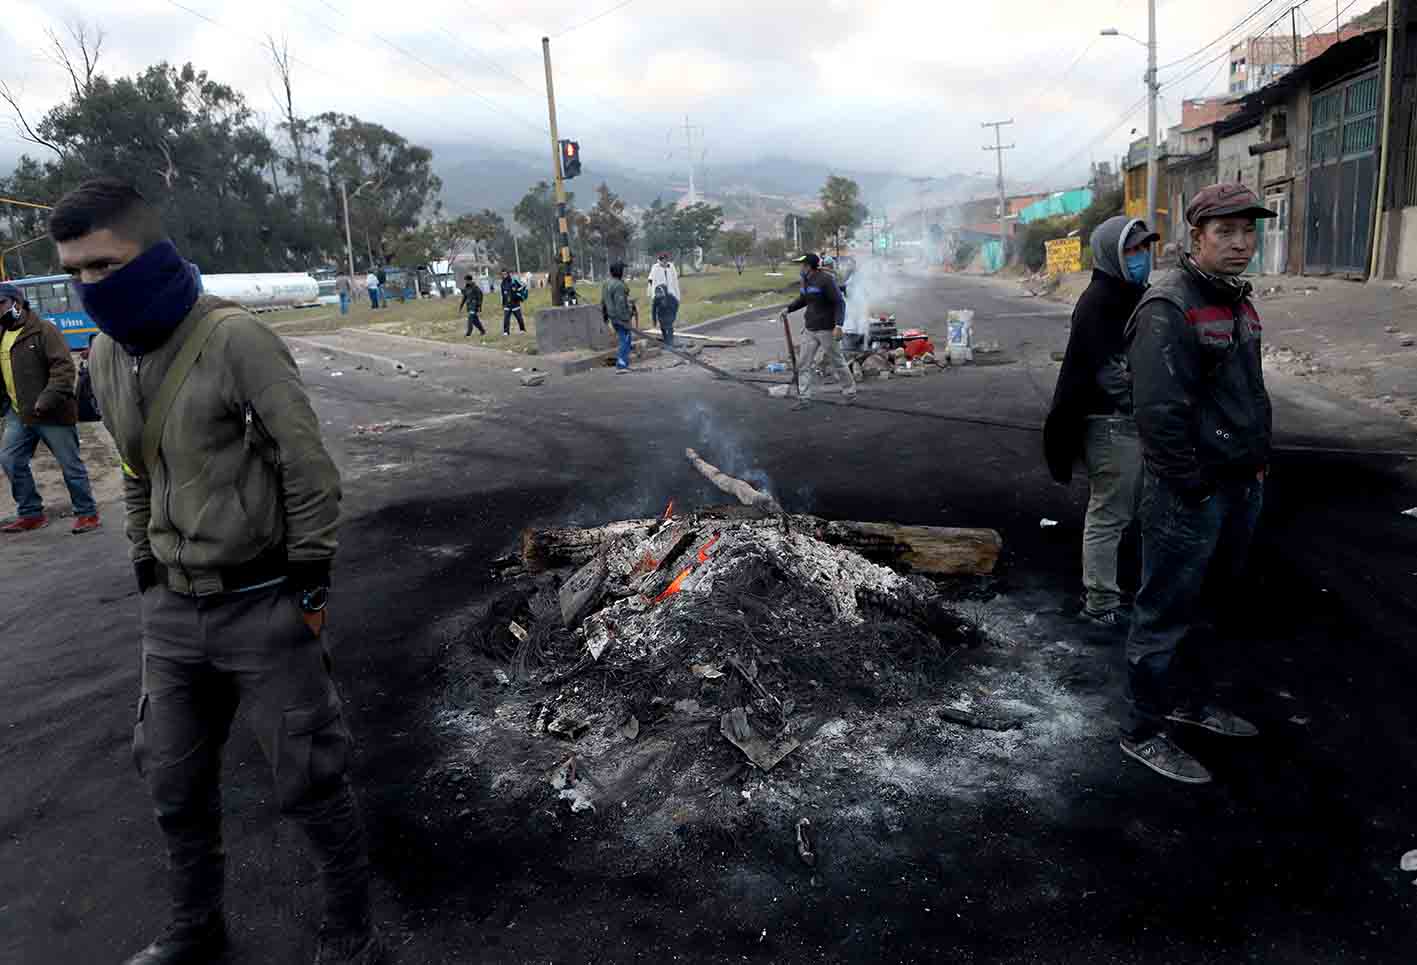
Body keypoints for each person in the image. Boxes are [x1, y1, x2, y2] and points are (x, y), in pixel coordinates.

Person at [51, 178, 380, 964]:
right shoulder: (104, 352)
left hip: (264, 602)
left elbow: (308, 465)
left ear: (147, 250)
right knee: (172, 784)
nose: (92, 286)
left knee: (308, 779)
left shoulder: (235, 338)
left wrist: (309, 576)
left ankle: (350, 931)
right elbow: (135, 470)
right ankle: (196, 928)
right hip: (170, 612)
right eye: (77, 273)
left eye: (104, 265)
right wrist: (142, 558)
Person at [1120, 183, 1276, 785]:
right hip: (1192, 492)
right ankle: (1142, 729)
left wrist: (1253, 468)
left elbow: (1244, 393)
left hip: (1239, 483)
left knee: (1212, 603)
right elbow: (1159, 414)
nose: (1241, 244)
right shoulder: (1170, 306)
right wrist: (1193, 485)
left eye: (1248, 232)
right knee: (1164, 609)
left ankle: (1188, 702)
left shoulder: (1236, 299)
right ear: (1197, 238)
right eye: (1226, 233)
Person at [1044, 216, 1160, 629]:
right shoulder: (1101, 301)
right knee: (1110, 513)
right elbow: (1108, 372)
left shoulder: (1130, 295)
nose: (1142, 257)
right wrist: (1145, 403)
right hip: (1111, 423)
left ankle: (1118, 589)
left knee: (1132, 510)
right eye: (1132, 251)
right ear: (1112, 254)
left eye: (1145, 249)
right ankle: (1100, 601)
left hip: (1131, 422)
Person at [0, 282, 101, 535]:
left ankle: (87, 513)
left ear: (17, 302)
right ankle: (31, 513)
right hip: (18, 412)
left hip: (51, 411)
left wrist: (46, 399)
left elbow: (64, 369)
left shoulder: (45, 330)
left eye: (1, 304)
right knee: (10, 460)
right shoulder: (1, 334)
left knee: (70, 465)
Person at [782, 253, 855, 410]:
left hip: (827, 329)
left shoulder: (826, 280)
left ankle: (849, 393)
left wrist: (839, 325)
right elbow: (803, 299)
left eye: (802, 265)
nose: (800, 268)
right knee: (803, 364)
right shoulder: (806, 281)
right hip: (810, 328)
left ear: (809, 266)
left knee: (838, 362)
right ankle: (804, 398)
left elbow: (839, 303)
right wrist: (788, 309)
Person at [601, 260, 637, 372]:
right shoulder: (619, 286)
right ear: (619, 271)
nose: (624, 272)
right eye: (622, 270)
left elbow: (603, 301)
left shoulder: (606, 283)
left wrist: (605, 316)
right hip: (620, 318)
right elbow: (621, 305)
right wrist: (628, 316)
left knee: (623, 339)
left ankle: (622, 363)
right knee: (625, 340)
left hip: (612, 316)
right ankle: (621, 365)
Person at [646, 252, 680, 346]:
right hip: (660, 295)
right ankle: (666, 340)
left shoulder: (671, 267)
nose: (665, 262)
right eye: (663, 260)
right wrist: (651, 294)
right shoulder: (655, 268)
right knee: (662, 321)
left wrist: (677, 295)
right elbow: (651, 281)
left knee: (669, 321)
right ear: (660, 260)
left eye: (666, 260)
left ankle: (670, 340)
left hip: (670, 294)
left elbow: (675, 280)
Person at [500, 269, 527, 334]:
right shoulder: (502, 283)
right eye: (503, 274)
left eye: (505, 274)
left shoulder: (514, 280)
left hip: (515, 303)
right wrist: (503, 304)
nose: (504, 275)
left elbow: (524, 285)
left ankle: (522, 330)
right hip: (507, 304)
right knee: (506, 318)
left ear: (508, 274)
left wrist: (517, 290)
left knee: (519, 318)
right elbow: (502, 294)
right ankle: (506, 332)